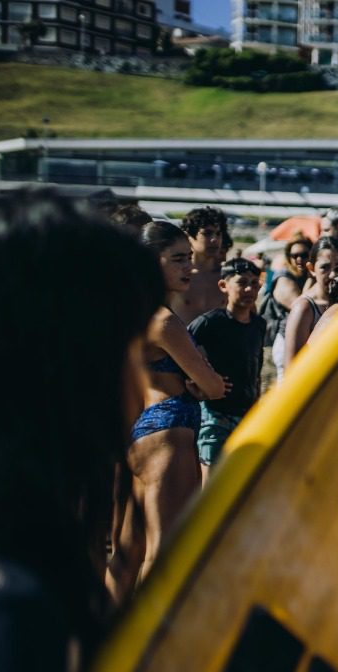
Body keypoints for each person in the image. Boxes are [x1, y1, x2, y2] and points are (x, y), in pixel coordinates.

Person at [0, 189, 338, 672]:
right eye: (128, 352)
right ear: (69, 365)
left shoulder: (19, 563)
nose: (138, 377)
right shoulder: (12, 611)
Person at [109, 221, 231, 598]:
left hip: (137, 431)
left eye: (188, 259)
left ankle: (96, 643)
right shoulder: (165, 322)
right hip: (171, 431)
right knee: (163, 553)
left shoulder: (128, 313)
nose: (189, 268)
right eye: (178, 260)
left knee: (126, 552)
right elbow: (212, 387)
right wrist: (204, 383)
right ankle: (146, 649)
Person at [189, 257, 268, 473]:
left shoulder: (259, 325)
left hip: (246, 413)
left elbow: (257, 366)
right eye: (242, 283)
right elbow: (182, 350)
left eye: (255, 283)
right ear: (224, 286)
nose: (250, 289)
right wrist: (197, 381)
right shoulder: (211, 322)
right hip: (216, 414)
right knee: (211, 475)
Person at [278, 236, 338, 381]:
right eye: (325, 267)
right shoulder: (304, 308)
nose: (333, 274)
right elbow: (292, 368)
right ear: (311, 269)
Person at [172, 206, 231, 324]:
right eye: (207, 233)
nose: (215, 239)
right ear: (188, 237)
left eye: (218, 233)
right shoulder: (176, 275)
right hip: (181, 340)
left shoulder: (228, 277)